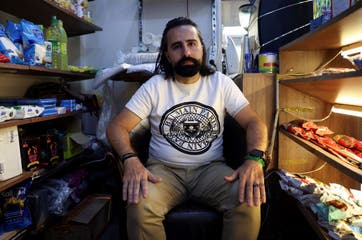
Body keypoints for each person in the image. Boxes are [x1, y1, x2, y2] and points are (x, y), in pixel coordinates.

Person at [106, 16, 268, 240]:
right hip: (164, 172)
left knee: (247, 199)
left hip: (211, 170)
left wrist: (254, 159)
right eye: (177, 46)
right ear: (167, 55)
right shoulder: (155, 86)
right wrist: (130, 159)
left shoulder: (221, 83)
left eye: (192, 43)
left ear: (202, 48)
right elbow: (116, 127)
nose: (186, 52)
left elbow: (254, 122)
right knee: (139, 205)